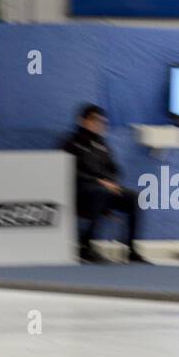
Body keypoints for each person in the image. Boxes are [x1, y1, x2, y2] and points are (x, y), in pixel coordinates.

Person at [60, 104, 148, 263]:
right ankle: (85, 248)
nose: (99, 125)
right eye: (95, 121)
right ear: (82, 121)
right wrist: (98, 181)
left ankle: (131, 250)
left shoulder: (102, 144)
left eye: (102, 122)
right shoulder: (70, 143)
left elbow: (113, 169)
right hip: (80, 192)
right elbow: (68, 172)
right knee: (101, 192)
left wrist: (111, 182)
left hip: (104, 190)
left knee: (135, 197)